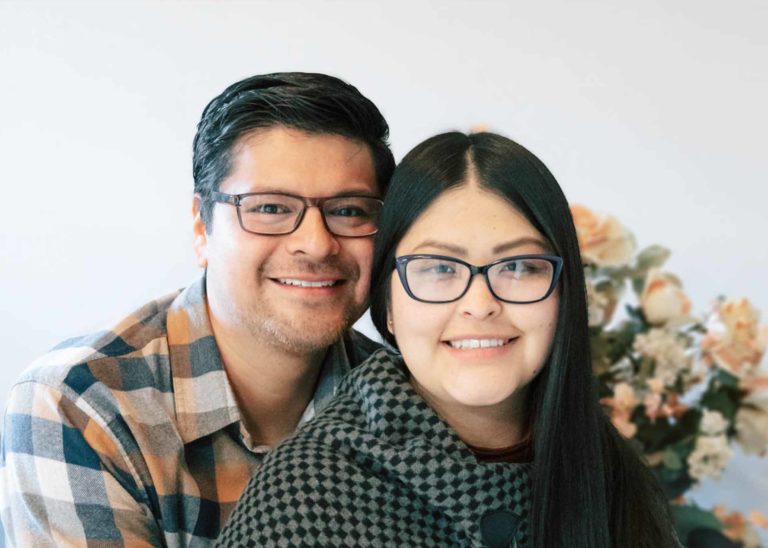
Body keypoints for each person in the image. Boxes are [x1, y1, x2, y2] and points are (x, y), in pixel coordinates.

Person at [217, 131, 679, 547]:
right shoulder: (306, 496)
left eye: (518, 267)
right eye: (439, 268)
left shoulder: (609, 467)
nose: (479, 304)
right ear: (389, 304)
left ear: (563, 292)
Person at [0, 72, 394, 546]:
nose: (315, 244)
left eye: (349, 211)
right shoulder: (82, 403)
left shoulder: (406, 396)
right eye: (269, 208)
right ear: (201, 227)